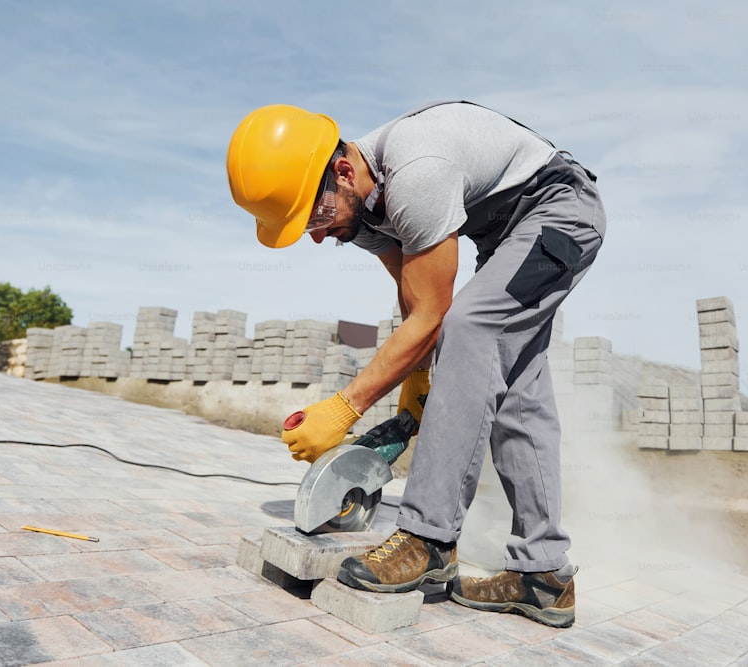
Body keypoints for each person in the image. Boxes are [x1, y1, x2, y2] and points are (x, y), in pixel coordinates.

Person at [226, 100, 606, 628]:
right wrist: (421, 377)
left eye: (314, 214)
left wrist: (344, 408)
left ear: (341, 171)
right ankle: (544, 575)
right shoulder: (358, 212)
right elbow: (413, 295)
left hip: (560, 210)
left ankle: (428, 541)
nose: (315, 234)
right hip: (505, 239)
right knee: (517, 390)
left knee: (471, 327)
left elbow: (436, 314)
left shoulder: (416, 171)